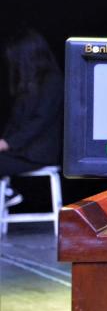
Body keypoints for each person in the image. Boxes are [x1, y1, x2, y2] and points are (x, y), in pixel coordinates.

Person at [0, 28, 62, 195]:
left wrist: (8, 143)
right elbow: (16, 121)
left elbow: (40, 121)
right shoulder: (28, 84)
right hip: (19, 151)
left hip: (37, 154)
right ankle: (8, 194)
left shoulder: (52, 81)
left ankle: (9, 194)